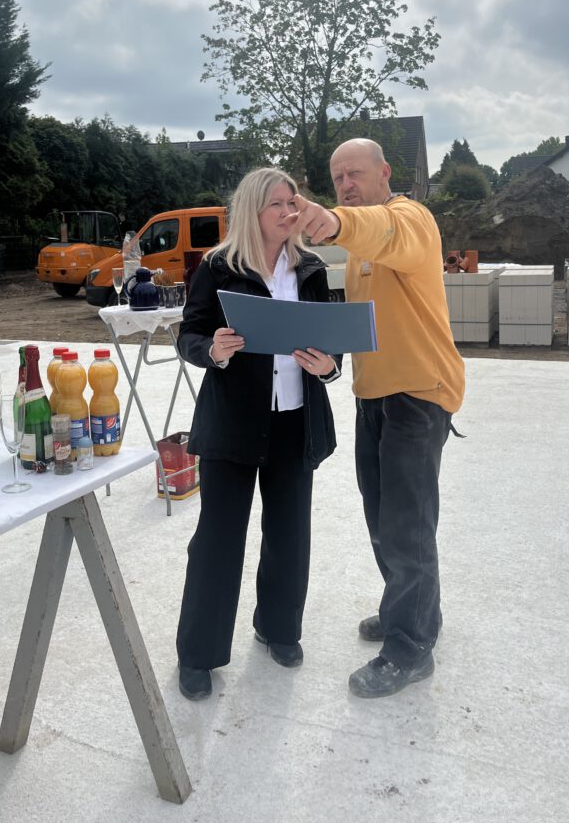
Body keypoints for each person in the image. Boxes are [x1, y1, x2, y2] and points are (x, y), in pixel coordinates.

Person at [289, 138, 465, 699]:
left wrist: (334, 221)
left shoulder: (410, 219)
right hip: (374, 397)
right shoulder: (358, 247)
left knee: (407, 526)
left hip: (417, 394)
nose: (345, 184)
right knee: (383, 519)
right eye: (337, 177)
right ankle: (407, 610)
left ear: (384, 172)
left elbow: (382, 230)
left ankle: (411, 649)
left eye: (355, 173)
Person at [175, 167, 341, 701]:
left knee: (290, 533)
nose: (290, 211)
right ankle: (198, 654)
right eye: (278, 204)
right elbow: (189, 334)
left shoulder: (311, 269)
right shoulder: (218, 267)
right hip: (234, 423)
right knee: (218, 539)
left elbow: (332, 342)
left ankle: (279, 629)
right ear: (253, 211)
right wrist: (213, 350)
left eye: (294, 201)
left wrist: (329, 367)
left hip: (295, 418)